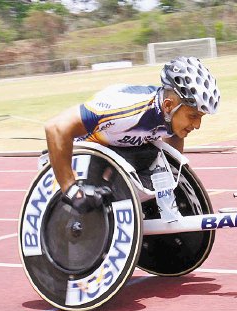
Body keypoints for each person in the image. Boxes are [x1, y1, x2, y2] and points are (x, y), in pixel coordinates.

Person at [44, 56, 221, 213]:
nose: (197, 125)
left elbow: (173, 145)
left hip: (115, 154)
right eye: (193, 116)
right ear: (167, 106)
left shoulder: (171, 118)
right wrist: (71, 188)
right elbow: (55, 128)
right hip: (72, 158)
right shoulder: (125, 109)